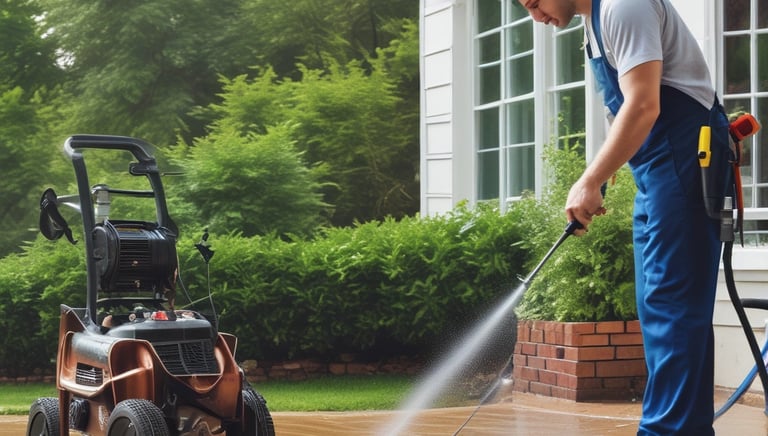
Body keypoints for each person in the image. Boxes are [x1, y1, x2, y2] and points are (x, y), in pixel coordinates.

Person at [519, 0, 734, 434]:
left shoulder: (623, 6)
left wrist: (590, 178)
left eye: (534, 3)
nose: (535, 16)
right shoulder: (592, 26)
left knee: (673, 310)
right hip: (656, 174)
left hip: (683, 162)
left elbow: (642, 105)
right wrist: (607, 171)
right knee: (658, 311)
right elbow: (622, 113)